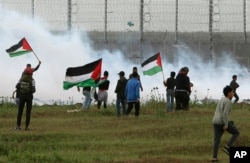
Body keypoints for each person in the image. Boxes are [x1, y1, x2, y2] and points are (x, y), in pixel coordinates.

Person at [211, 85, 240, 162]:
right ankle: (227, 147)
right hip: (222, 122)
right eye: (232, 92)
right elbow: (225, 114)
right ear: (228, 93)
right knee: (236, 133)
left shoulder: (221, 100)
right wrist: (226, 125)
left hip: (215, 121)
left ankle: (214, 157)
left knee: (216, 139)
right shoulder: (228, 102)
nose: (233, 93)